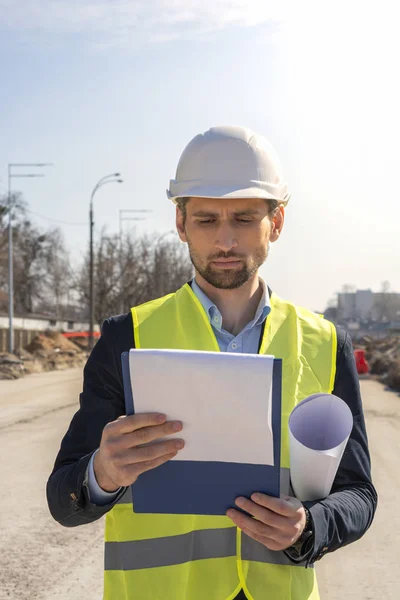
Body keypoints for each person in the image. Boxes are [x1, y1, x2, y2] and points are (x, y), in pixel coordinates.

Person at [47, 125, 377, 600]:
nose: (225, 241)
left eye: (244, 218)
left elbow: (358, 494)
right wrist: (102, 473)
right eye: (206, 221)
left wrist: (310, 527)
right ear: (181, 224)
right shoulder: (128, 338)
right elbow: (64, 497)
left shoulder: (326, 343)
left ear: (276, 222)